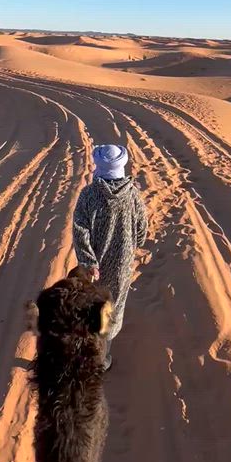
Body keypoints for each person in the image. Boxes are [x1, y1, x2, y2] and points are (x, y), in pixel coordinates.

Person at [72, 143, 148, 370]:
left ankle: (86, 354)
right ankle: (102, 360)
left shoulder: (88, 194)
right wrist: (130, 245)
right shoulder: (133, 195)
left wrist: (88, 262)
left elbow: (80, 229)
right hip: (122, 267)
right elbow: (142, 231)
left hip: (92, 268)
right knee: (112, 309)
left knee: (90, 308)